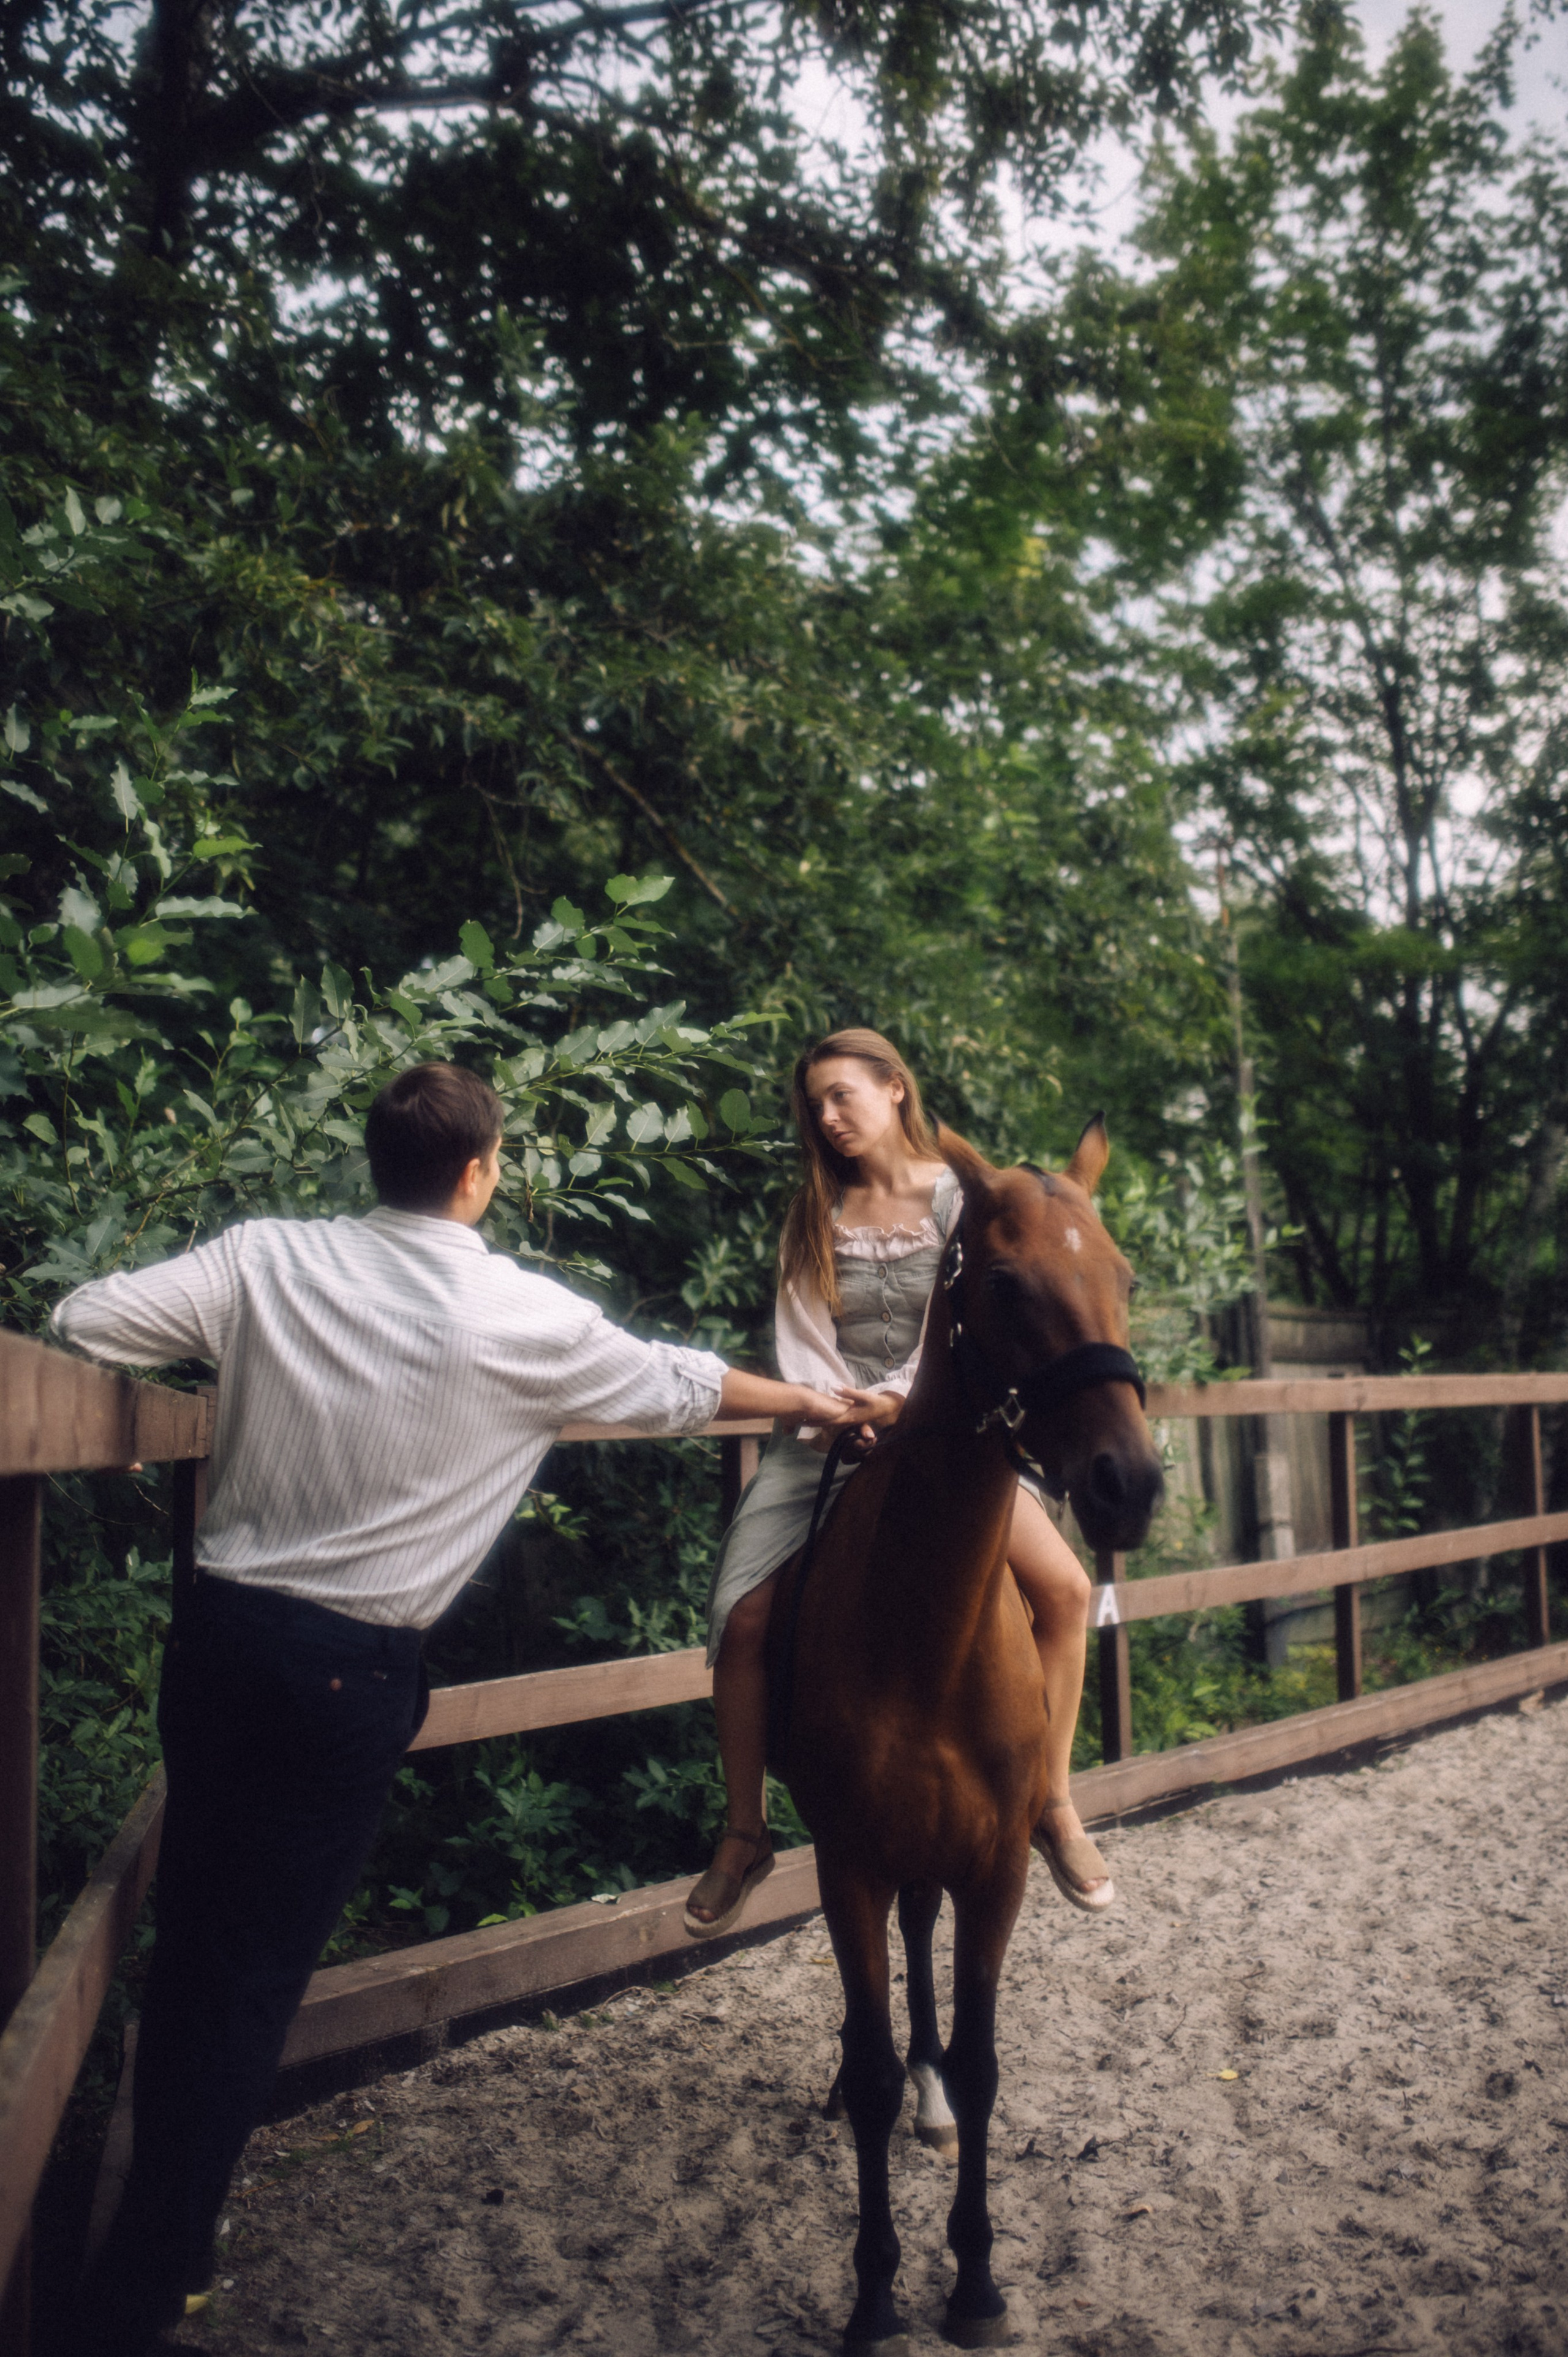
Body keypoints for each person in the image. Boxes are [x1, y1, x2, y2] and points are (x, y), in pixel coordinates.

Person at [51, 1061, 870, 2357]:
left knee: (196, 1935)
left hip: (217, 1640)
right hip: (348, 1673)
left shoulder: (269, 1258)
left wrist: (195, 1389)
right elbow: (683, 1384)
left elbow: (89, 1315)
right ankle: (145, 2283)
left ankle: (161, 2240)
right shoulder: (522, 1316)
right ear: (481, 1172)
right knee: (254, 1970)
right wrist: (819, 1402)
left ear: (371, 1163)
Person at [683, 1028, 1115, 1940]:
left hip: (946, 1439)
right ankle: (745, 1830)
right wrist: (839, 1407)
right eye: (816, 1106)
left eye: (843, 1095)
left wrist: (904, 1404)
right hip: (828, 1437)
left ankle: (1052, 1800)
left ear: (895, 1090)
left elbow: (988, 1314)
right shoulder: (813, 1214)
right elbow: (802, 1337)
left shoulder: (967, 1199)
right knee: (745, 1614)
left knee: (1069, 1590)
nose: (829, 1118)